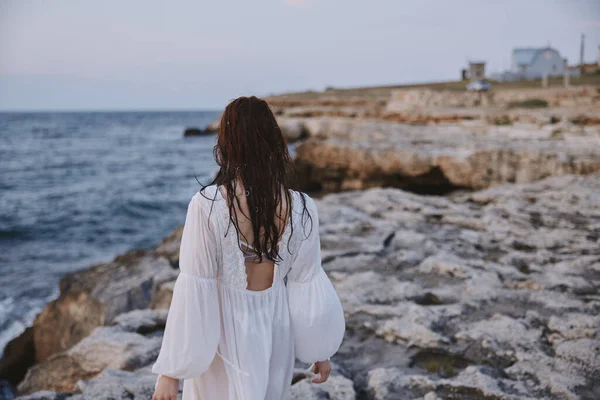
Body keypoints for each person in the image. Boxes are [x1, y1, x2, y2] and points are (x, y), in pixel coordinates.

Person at [151, 96, 345, 400]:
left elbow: (194, 290)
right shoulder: (302, 206)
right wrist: (319, 350)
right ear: (273, 139)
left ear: (227, 142)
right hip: (275, 328)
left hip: (223, 335)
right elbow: (306, 282)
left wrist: (170, 373)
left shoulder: (206, 205)